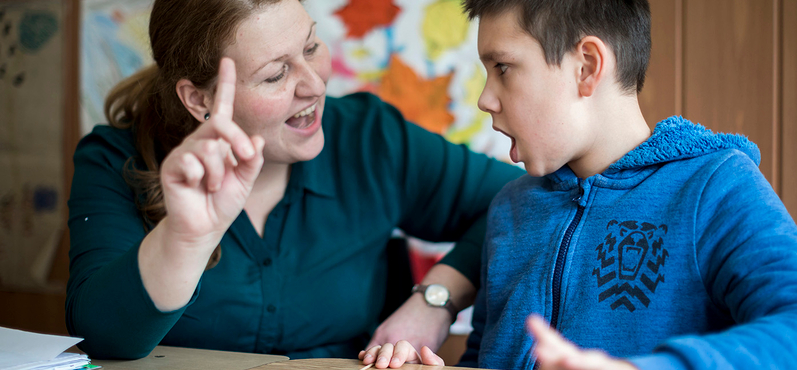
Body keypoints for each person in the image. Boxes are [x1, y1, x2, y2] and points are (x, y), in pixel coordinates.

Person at [65, 0, 524, 360]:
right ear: (197, 98)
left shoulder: (370, 139)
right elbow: (104, 339)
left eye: (309, 48)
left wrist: (435, 299)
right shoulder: (112, 160)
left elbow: (519, 203)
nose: (314, 85)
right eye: (275, 74)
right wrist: (184, 239)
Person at [360, 0, 797, 369]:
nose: (485, 99)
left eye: (503, 68)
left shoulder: (715, 186)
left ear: (586, 67)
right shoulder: (510, 208)